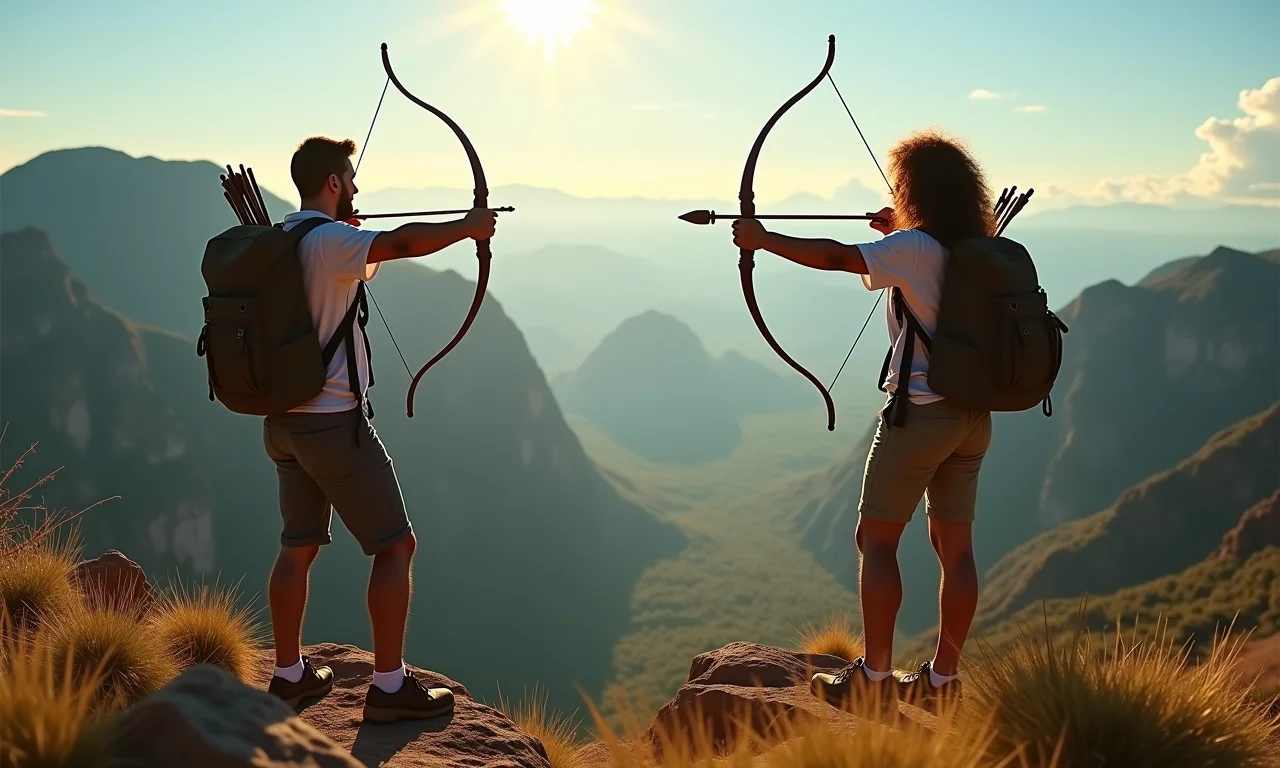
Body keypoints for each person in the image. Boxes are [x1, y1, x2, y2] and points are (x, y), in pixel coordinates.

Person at [731, 129, 994, 710]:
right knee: (957, 550)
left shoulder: (917, 248)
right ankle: (943, 685)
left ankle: (874, 682)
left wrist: (762, 238)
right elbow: (929, 276)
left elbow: (835, 257)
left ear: (915, 189)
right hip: (974, 417)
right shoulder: (979, 242)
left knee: (875, 540)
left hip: (921, 414)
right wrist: (896, 231)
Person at [263, 136, 496, 722]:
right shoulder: (330, 242)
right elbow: (403, 243)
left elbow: (362, 264)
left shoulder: (279, 238)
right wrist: (468, 227)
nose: (356, 186)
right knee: (395, 546)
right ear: (334, 183)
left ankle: (289, 675)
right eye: (350, 177)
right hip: (332, 423)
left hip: (282, 424)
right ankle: (388, 686)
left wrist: (351, 236)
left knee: (298, 546)